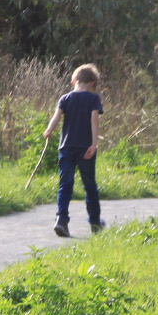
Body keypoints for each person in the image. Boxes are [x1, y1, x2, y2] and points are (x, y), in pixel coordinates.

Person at [42, 63, 104, 237]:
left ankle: (61, 219)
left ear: (73, 82)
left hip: (66, 148)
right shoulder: (93, 99)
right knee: (90, 186)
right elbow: (94, 120)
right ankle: (95, 222)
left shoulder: (65, 98)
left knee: (65, 185)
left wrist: (49, 130)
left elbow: (56, 117)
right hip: (85, 149)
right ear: (92, 82)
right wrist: (94, 144)